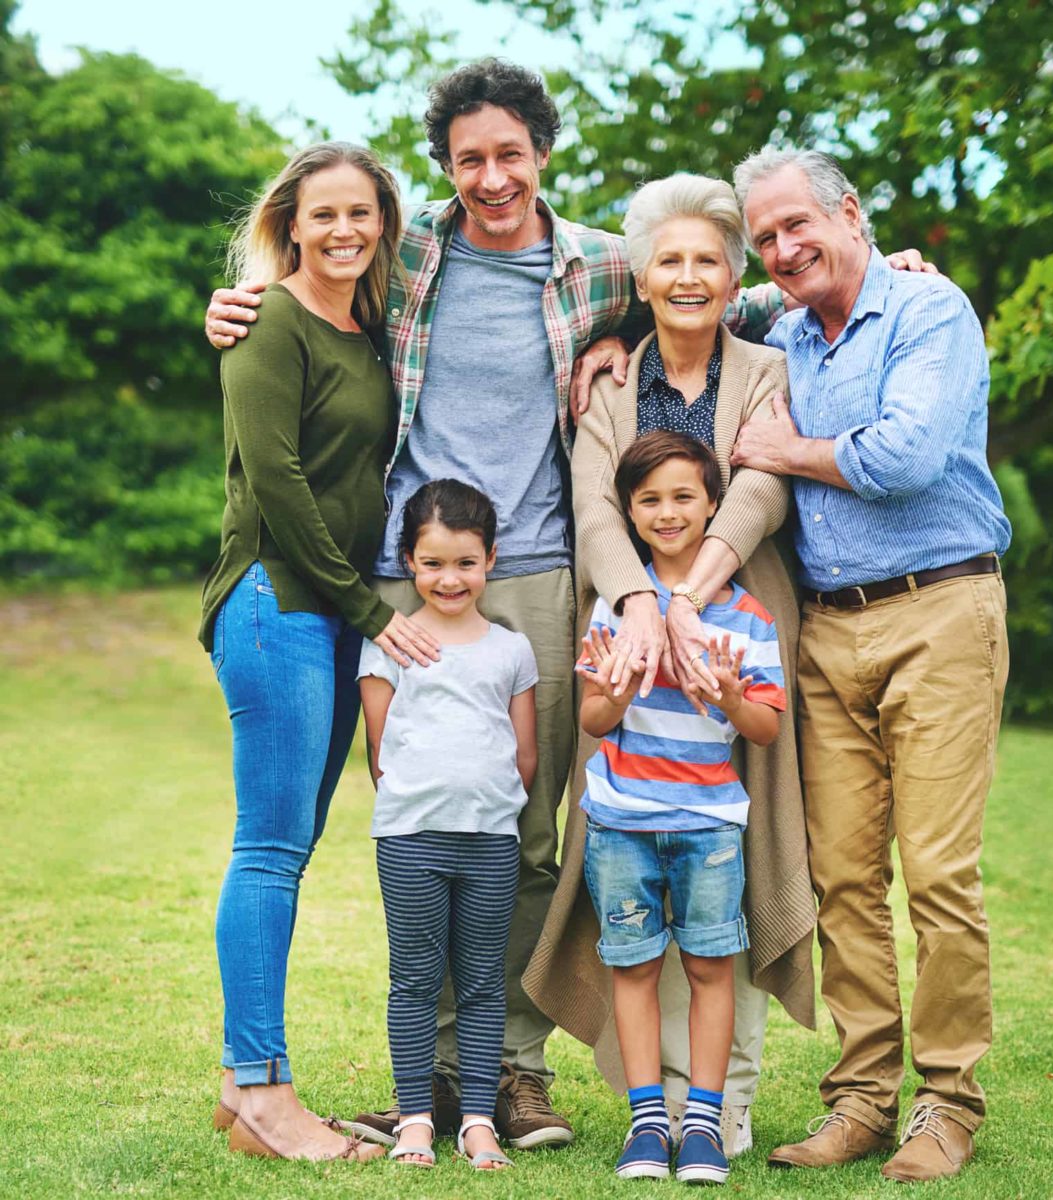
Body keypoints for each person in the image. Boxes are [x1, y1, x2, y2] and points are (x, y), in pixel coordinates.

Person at [204, 59, 787, 1149]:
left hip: (541, 577)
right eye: (469, 158)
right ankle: (425, 1077)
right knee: (427, 818)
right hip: (408, 573)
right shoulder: (405, 246)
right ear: (443, 168)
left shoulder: (599, 264)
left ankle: (508, 1071)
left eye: (509, 153)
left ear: (543, 154)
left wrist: (853, 275)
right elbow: (309, 281)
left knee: (525, 831)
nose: (491, 176)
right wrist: (233, 302)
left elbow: (705, 284)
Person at [730, 147, 1012, 1184]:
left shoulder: (931, 314)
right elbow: (683, 288)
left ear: (848, 211)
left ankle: (946, 1103)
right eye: (766, 236)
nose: (784, 247)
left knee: (937, 875)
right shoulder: (785, 328)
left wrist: (782, 449)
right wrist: (602, 351)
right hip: (823, 630)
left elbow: (903, 458)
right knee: (841, 877)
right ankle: (860, 1098)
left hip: (941, 609)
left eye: (800, 223)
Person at [523, 174, 815, 1159]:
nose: (688, 277)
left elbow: (764, 489)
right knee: (627, 844)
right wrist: (642, 603)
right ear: (641, 278)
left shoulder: (767, 370)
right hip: (622, 628)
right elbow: (595, 504)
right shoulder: (610, 380)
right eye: (669, 261)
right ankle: (655, 1102)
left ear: (734, 277)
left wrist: (693, 598)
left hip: (739, 619)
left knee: (747, 851)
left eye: (706, 261)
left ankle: (720, 1107)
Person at [198, 140, 420, 1162]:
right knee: (271, 845)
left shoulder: (367, 323)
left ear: (383, 224)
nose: (343, 231)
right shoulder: (268, 318)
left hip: (325, 611)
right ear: (289, 219)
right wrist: (371, 615)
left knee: (289, 845)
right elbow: (277, 482)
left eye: (361, 215)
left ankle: (259, 1091)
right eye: (323, 214)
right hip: (273, 598)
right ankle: (258, 1088)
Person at [576, 431, 785, 1185]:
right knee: (631, 972)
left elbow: (762, 727)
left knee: (709, 970)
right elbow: (595, 721)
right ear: (629, 513)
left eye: (683, 497)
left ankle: (702, 1122)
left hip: (709, 827)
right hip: (621, 824)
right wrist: (627, 679)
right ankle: (645, 1122)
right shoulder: (616, 607)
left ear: (714, 505)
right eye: (650, 501)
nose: (668, 513)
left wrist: (727, 692)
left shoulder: (749, 619)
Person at [358, 479, 538, 1173]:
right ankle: (413, 1119)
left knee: (484, 981)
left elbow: (525, 753)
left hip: (490, 841)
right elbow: (380, 752)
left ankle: (476, 1122)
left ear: (490, 560)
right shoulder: (391, 645)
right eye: (432, 563)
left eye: (465, 562)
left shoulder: (511, 650)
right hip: (411, 840)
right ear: (409, 561)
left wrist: (488, 805)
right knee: (414, 979)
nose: (449, 578)